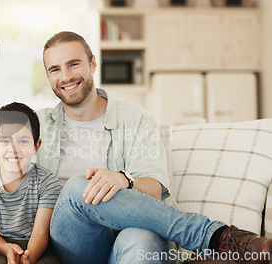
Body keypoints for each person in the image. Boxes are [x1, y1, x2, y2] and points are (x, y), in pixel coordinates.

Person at [36, 31, 272, 264]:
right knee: (78, 188)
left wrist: (123, 180)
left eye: (73, 64)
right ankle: (214, 236)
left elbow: (156, 189)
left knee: (142, 239)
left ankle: (219, 239)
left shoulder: (136, 119)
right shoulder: (35, 126)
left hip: (130, 232)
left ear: (93, 63)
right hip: (76, 243)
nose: (66, 76)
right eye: (55, 69)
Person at [0, 102, 61, 264]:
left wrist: (29, 257)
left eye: (23, 141)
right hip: (1, 245)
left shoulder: (47, 181)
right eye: (5, 141)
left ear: (36, 146)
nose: (13, 149)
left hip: (37, 245)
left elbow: (40, 233)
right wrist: (7, 249)